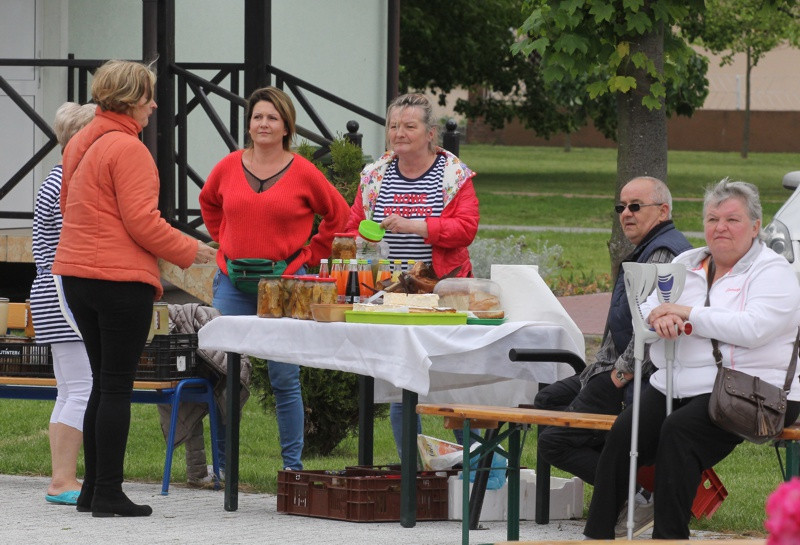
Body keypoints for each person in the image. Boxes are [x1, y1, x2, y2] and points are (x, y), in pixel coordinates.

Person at [583, 178, 800, 540]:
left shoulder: (773, 271)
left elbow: (754, 328)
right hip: (677, 382)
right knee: (624, 434)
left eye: (732, 220)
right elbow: (650, 306)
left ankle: (669, 536)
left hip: (754, 391)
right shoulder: (689, 261)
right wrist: (660, 316)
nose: (720, 228)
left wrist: (686, 313)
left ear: (755, 226)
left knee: (679, 433)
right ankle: (597, 534)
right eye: (712, 219)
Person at [53, 59, 216, 517]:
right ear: (129, 98)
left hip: (77, 277)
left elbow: (72, 206)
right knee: (117, 386)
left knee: (101, 385)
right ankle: (107, 491)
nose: (154, 103)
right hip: (119, 280)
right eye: (148, 95)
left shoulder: (81, 141)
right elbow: (142, 222)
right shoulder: (129, 149)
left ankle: (91, 492)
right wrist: (192, 250)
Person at [199, 86, 349, 471]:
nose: (263, 124)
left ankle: (292, 470)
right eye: (257, 117)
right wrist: (224, 239)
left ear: (286, 127)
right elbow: (209, 202)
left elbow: (339, 215)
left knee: (284, 377)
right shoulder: (228, 165)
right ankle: (222, 468)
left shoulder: (303, 171)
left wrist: (311, 255)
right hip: (232, 282)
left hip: (285, 285)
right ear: (249, 125)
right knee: (223, 377)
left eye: (272, 118)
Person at [534, 176, 691, 535]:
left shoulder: (664, 253)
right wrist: (593, 372)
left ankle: (636, 496)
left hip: (636, 375)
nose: (626, 214)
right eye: (621, 207)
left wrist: (619, 375)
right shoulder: (647, 248)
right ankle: (624, 485)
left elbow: (654, 328)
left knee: (554, 441)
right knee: (547, 400)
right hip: (610, 369)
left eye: (636, 206)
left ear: (663, 211)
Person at [344, 92, 480, 456]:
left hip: (442, 291)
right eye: (393, 126)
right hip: (389, 293)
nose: (399, 133)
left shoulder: (452, 174)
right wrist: (360, 239)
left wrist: (414, 226)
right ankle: (414, 474)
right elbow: (352, 225)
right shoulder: (375, 175)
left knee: (453, 384)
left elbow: (466, 229)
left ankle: (478, 468)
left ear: (430, 132)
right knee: (401, 388)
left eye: (409, 126)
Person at [30, 102, 96, 506]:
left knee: (68, 389)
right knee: (84, 388)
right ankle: (63, 479)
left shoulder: (54, 179)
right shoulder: (65, 184)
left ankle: (62, 476)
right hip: (63, 292)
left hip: (50, 291)